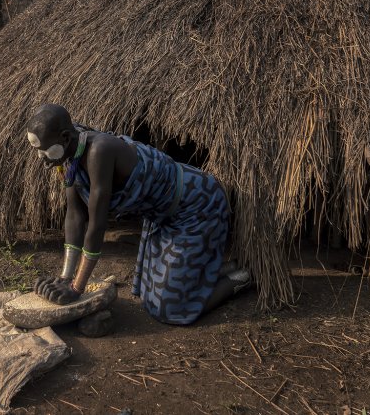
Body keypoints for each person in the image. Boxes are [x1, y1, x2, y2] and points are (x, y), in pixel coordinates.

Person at [27, 104, 249, 325]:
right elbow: (75, 215)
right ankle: (215, 271)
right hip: (161, 216)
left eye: (46, 151)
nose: (43, 159)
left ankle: (245, 276)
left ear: (65, 137)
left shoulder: (98, 152)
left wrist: (76, 288)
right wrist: (65, 276)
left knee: (169, 309)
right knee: (147, 295)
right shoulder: (71, 153)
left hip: (197, 204)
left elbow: (96, 224)